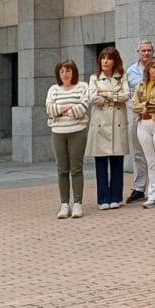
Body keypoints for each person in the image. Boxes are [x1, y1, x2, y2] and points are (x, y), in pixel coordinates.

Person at [125, 40, 155, 204]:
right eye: (153, 67)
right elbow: (133, 103)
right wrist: (143, 108)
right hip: (142, 125)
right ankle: (153, 194)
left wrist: (144, 107)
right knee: (150, 161)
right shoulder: (139, 82)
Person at [87, 46, 131, 210]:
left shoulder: (122, 78)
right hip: (100, 124)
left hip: (117, 123)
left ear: (115, 61)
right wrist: (114, 96)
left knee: (117, 162)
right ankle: (103, 198)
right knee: (101, 164)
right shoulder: (94, 78)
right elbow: (92, 97)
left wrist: (105, 94)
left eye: (109, 58)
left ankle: (116, 197)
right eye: (103, 58)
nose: (105, 61)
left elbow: (126, 96)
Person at [44, 59, 89, 219]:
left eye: (68, 71)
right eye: (62, 71)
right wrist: (69, 107)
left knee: (76, 169)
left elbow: (83, 108)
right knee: (62, 169)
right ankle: (64, 204)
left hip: (77, 131)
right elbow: (50, 109)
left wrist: (61, 110)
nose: (65, 74)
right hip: (58, 132)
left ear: (73, 72)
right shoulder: (53, 90)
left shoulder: (83, 87)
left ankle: (77, 203)